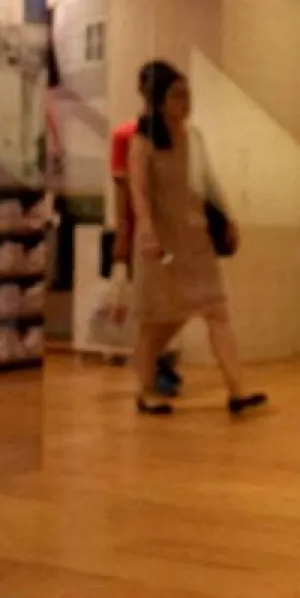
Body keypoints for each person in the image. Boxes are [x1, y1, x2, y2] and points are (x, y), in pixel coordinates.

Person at [128, 61, 266, 416]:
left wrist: (227, 217)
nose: (185, 101)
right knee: (158, 325)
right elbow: (138, 192)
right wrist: (146, 232)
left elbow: (208, 185)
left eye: (187, 93)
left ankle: (237, 390)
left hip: (196, 241)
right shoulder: (142, 143)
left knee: (217, 311)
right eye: (176, 94)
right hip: (161, 244)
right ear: (157, 101)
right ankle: (145, 392)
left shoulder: (195, 138)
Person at [112, 62, 184, 396]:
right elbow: (123, 188)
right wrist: (124, 233)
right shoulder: (128, 135)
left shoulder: (176, 132)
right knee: (150, 304)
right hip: (145, 235)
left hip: (175, 232)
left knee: (176, 302)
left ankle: (160, 361)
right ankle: (151, 368)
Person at [6, 0, 64, 180]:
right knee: (28, 97)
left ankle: (50, 152)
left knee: (50, 97)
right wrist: (13, 39)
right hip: (31, 30)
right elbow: (14, 0)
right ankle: (25, 156)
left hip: (52, 33)